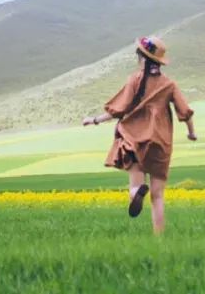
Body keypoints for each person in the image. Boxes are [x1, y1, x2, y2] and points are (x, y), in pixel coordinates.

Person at [82, 35, 196, 234]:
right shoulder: (169, 85)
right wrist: (191, 132)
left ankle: (136, 192)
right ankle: (159, 239)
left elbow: (118, 110)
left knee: (135, 184)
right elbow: (185, 112)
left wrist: (94, 120)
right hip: (160, 143)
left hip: (134, 140)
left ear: (142, 59)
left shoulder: (134, 80)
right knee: (157, 197)